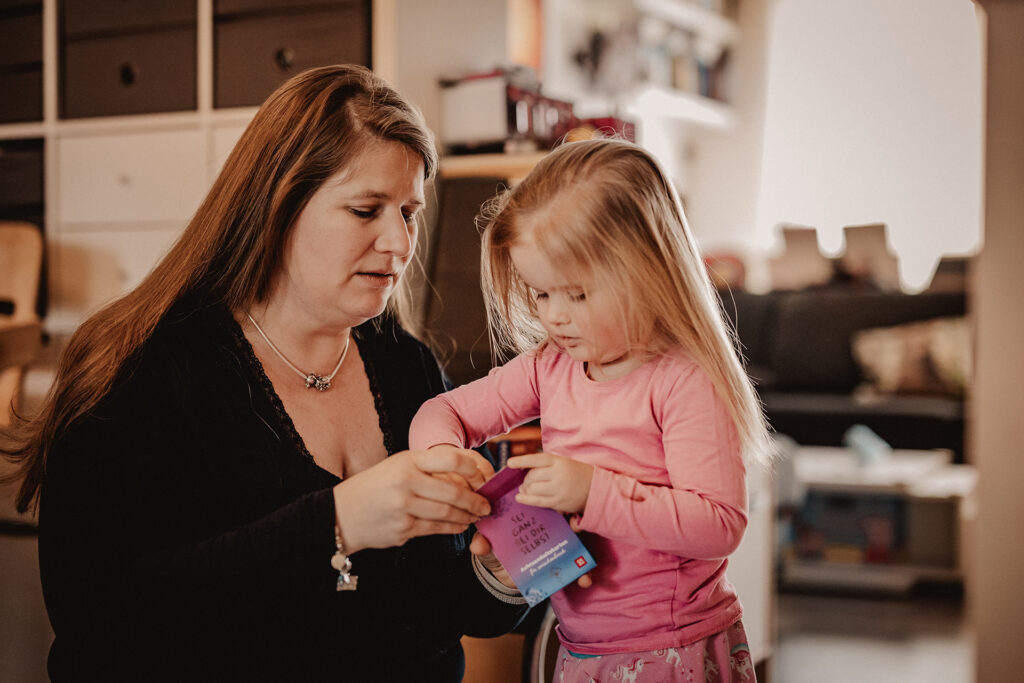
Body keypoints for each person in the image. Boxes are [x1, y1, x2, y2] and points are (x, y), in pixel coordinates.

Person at [0, 64, 528, 682]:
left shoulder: (407, 365)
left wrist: (520, 553)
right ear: (277, 206)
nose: (399, 243)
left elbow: (445, 603)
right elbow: (101, 624)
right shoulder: (141, 371)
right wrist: (336, 525)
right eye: (366, 210)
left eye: (409, 212)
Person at [409, 138, 774, 682]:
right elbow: (443, 413)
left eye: (577, 295)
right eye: (540, 295)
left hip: (673, 651)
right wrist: (446, 462)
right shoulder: (548, 367)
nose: (555, 318)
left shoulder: (684, 381)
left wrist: (593, 492)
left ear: (648, 272)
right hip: (582, 649)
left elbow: (718, 524)